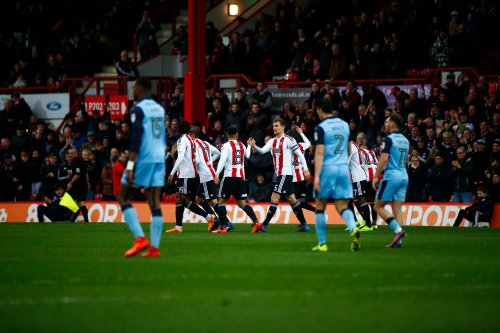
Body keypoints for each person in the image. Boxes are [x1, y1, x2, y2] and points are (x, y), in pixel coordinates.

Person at [116, 78, 166, 258]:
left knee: (122, 196)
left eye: (135, 87)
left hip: (143, 158)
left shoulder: (138, 109)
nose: (133, 90)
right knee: (154, 202)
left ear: (141, 88)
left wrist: (129, 166)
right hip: (159, 158)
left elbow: (136, 138)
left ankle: (140, 238)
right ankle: (154, 248)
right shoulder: (160, 109)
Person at [311, 101, 360, 252]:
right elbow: (348, 148)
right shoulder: (345, 125)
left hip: (328, 169)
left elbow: (319, 153)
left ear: (320, 109)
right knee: (342, 205)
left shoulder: (321, 128)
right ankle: (353, 228)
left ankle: (322, 243)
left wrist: (317, 176)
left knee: (320, 205)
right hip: (343, 169)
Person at [248, 118, 311, 232]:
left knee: (274, 197)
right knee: (292, 200)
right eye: (273, 126)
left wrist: (306, 170)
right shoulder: (272, 141)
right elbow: (262, 151)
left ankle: (264, 225)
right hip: (280, 174)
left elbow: (300, 155)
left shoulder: (289, 140)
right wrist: (254, 145)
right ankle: (304, 225)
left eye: (276, 125)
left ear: (283, 127)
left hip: (286, 173)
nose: (274, 128)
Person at [166, 121, 213, 233]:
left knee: (184, 200)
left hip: (186, 175)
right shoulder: (190, 140)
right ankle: (178, 226)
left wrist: (172, 173)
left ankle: (208, 217)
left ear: (178, 129)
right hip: (188, 174)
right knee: (179, 198)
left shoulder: (182, 140)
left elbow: (181, 157)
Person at [214, 125, 261, 233]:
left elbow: (222, 160)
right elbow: (248, 156)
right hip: (240, 178)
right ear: (237, 134)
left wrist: (217, 173)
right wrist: (249, 145)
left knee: (220, 202)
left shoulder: (226, 146)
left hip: (229, 177)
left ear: (227, 135)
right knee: (242, 203)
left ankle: (224, 227)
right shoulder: (241, 145)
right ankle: (256, 222)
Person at [372, 113, 408, 248]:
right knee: (397, 209)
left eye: (386, 122)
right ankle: (398, 241)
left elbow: (384, 158)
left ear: (392, 123)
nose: (385, 124)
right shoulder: (405, 140)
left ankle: (398, 230)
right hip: (404, 175)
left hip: (392, 176)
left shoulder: (389, 139)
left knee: (378, 206)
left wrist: (376, 175)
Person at [192, 126, 222, 231]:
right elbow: (218, 153)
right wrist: (209, 162)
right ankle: (216, 218)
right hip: (210, 172)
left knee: (212, 201)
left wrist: (193, 169)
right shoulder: (205, 143)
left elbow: (198, 161)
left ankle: (224, 221)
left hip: (205, 176)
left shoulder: (194, 145)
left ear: (192, 135)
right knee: (198, 199)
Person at [58, 148, 90, 223]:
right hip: (82, 184)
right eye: (69, 153)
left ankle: (86, 220)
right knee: (77, 203)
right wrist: (87, 182)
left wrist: (71, 182)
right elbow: (85, 173)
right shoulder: (80, 161)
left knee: (80, 202)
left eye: (72, 153)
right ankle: (73, 220)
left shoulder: (75, 162)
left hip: (79, 185)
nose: (70, 155)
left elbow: (78, 174)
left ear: (76, 153)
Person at [289, 126, 315, 212]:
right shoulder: (301, 145)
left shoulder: (287, 148)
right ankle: (316, 211)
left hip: (294, 179)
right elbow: (308, 143)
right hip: (303, 177)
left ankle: (305, 221)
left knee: (295, 202)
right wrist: (301, 133)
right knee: (300, 201)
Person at [348, 140, 372, 231]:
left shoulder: (350, 146)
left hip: (357, 176)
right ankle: (364, 222)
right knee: (356, 199)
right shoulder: (351, 145)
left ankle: (368, 225)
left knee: (361, 199)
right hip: (355, 176)